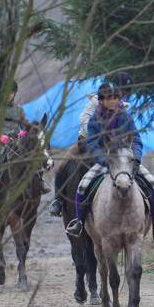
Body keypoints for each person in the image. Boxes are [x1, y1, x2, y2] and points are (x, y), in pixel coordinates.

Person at [65, 81, 154, 237]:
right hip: (105, 162)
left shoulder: (126, 117)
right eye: (109, 98)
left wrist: (135, 159)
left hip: (126, 160)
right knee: (82, 186)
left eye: (115, 97)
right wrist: (103, 160)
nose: (113, 101)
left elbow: (136, 139)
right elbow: (92, 145)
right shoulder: (94, 121)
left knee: (153, 182)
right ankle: (79, 222)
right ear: (101, 100)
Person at [49, 72, 134, 217]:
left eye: (125, 93)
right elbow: (84, 118)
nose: (123, 96)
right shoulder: (96, 101)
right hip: (86, 142)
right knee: (62, 166)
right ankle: (58, 201)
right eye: (122, 92)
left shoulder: (123, 107)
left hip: (112, 148)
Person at [0, 81, 52, 194]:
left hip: (15, 141)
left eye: (11, 93)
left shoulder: (19, 109)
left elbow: (24, 124)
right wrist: (0, 136)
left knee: (33, 155)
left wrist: (26, 131)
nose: (9, 95)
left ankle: (40, 180)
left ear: (14, 94)